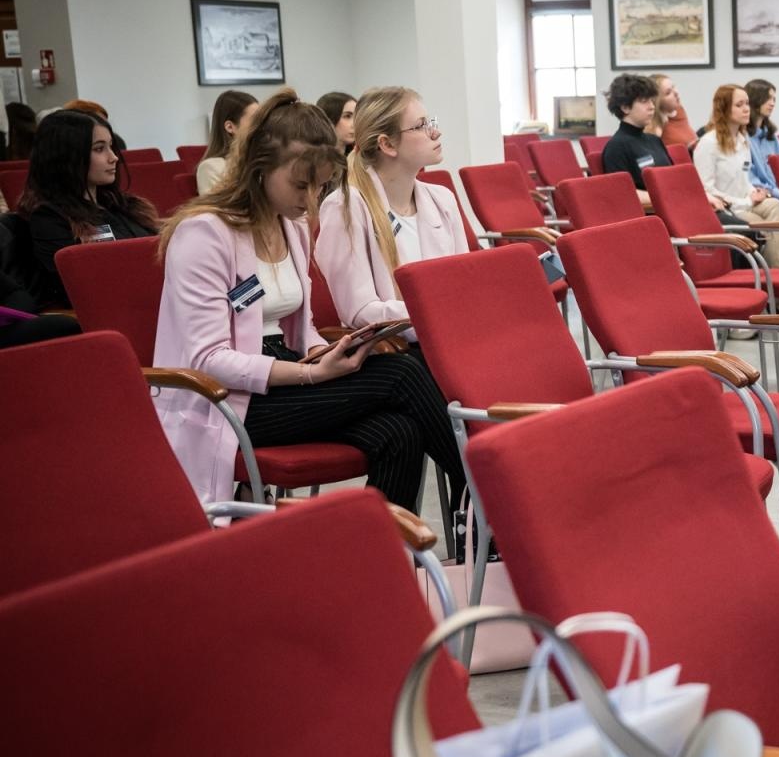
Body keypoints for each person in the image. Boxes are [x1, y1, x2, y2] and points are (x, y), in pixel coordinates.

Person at [154, 88, 465, 512]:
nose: (310, 200)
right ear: (258, 168)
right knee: (401, 374)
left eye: (319, 186)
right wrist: (313, 375)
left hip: (285, 367)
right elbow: (209, 359)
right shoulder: (204, 234)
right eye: (301, 185)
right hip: (226, 398)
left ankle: (383, 565)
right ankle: (492, 498)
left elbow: (300, 330)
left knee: (401, 432)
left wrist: (324, 350)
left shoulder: (293, 226)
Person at [314, 86, 469, 333]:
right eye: (420, 126)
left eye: (431, 122)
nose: (436, 132)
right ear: (387, 144)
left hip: (449, 334)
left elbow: (465, 283)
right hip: (393, 350)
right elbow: (359, 311)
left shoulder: (443, 199)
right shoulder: (346, 205)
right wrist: (438, 310)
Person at [16, 109, 159, 308]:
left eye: (111, 147)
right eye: (99, 149)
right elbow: (82, 287)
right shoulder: (50, 218)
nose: (114, 157)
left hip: (153, 297)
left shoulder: (125, 206)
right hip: (117, 308)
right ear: (67, 156)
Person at [693, 84, 779, 270]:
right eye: (739, 105)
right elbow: (707, 191)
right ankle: (775, 284)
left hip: (746, 200)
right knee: (761, 226)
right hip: (728, 208)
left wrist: (753, 192)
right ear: (724, 109)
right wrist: (747, 200)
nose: (746, 108)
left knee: (775, 205)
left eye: (747, 103)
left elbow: (744, 179)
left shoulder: (742, 140)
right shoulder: (708, 144)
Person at [599, 73, 671, 203]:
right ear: (625, 107)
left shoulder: (654, 140)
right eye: (644, 101)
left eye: (652, 100)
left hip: (674, 207)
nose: (652, 107)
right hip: (652, 213)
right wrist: (668, 198)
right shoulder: (616, 147)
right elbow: (622, 192)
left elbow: (674, 179)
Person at [195, 90, 260, 194]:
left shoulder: (261, 159)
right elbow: (217, 209)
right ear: (230, 127)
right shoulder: (210, 168)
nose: (262, 126)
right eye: (255, 121)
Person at [743, 79, 779, 206]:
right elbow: (748, 176)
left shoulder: (772, 138)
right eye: (768, 98)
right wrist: (773, 193)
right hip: (760, 194)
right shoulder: (743, 138)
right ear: (755, 99)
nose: (772, 103)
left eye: (774, 99)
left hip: (777, 193)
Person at [647, 73, 696, 150]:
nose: (676, 93)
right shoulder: (654, 125)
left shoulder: (679, 110)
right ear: (657, 101)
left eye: (674, 87)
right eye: (668, 92)